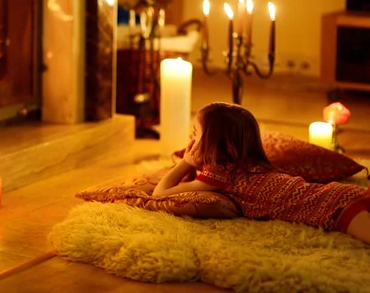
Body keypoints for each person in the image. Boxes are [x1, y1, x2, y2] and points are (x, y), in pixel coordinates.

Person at [152, 102, 370, 244]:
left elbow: (160, 193)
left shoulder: (218, 174)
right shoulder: (248, 163)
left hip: (337, 209)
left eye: (195, 133)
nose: (190, 140)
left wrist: (185, 163)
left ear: (218, 144)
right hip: (340, 196)